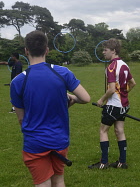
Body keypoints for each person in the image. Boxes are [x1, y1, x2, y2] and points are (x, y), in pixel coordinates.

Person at [10, 30, 90, 187]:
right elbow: (86, 98)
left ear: (26, 51)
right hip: (59, 139)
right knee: (59, 180)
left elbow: (21, 118)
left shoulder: (18, 81)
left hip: (34, 142)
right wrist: (71, 98)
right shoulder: (62, 72)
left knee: (42, 183)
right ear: (47, 49)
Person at [88, 38, 136, 170]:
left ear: (113, 51)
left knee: (103, 131)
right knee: (119, 130)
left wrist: (101, 99)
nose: (103, 52)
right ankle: (122, 162)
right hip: (124, 105)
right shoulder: (125, 65)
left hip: (113, 105)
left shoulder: (111, 67)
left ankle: (103, 163)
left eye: (105, 50)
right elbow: (133, 83)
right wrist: (124, 94)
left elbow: (111, 89)